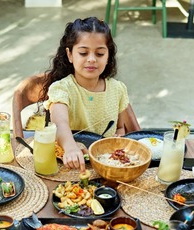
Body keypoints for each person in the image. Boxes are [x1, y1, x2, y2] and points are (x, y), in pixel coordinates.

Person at [42, 17, 136, 170]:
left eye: (99, 54)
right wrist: (71, 148)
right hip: (69, 163)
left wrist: (119, 136)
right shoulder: (61, 89)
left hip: (106, 164)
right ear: (70, 55)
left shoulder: (117, 89)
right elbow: (60, 124)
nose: (91, 59)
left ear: (108, 56)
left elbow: (120, 128)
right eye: (83, 53)